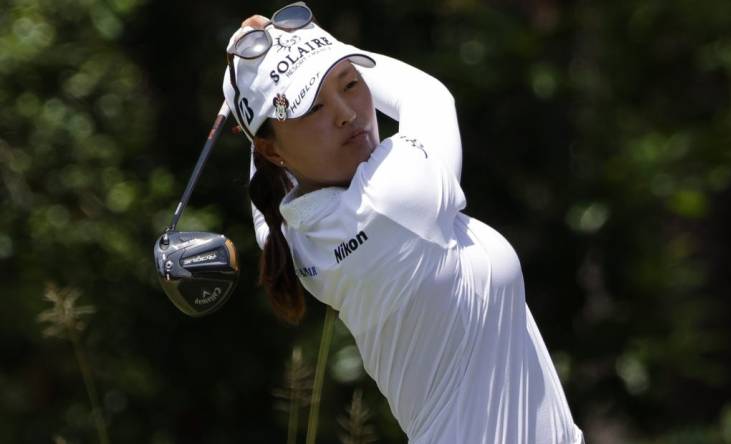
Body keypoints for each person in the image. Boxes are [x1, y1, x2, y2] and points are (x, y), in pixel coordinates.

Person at [223, 3, 584, 443]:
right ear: (275, 152)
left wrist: (259, 76)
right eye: (314, 107)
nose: (346, 112)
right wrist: (315, 48)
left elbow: (266, 179)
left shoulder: (297, 237)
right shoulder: (396, 196)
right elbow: (426, 94)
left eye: (351, 83)